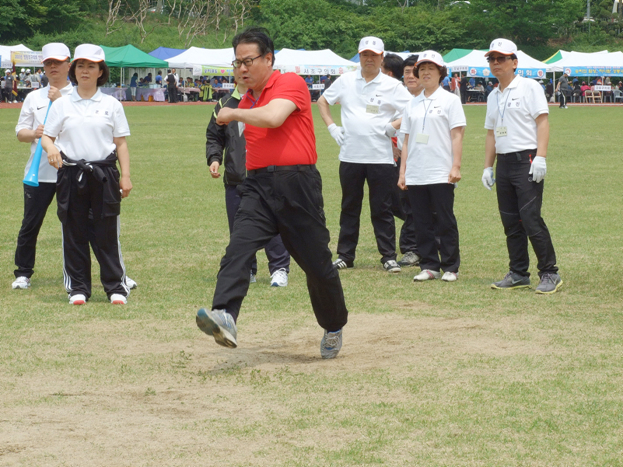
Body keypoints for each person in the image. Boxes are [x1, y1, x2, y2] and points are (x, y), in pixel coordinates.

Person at [195, 28, 348, 359]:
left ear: (268, 59)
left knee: (317, 265)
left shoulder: (289, 83)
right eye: (237, 63)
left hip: (297, 185)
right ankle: (224, 316)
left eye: (248, 61)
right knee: (238, 248)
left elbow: (275, 117)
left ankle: (333, 324)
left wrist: (233, 112)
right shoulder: (247, 98)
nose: (242, 69)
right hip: (256, 186)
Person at [12, 43, 138, 292]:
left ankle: (116, 276)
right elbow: (20, 133)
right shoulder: (34, 97)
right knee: (32, 224)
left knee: (95, 228)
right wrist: (37, 135)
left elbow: (116, 141)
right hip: (41, 174)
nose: (53, 67)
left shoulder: (77, 95)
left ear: (68, 64)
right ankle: (24, 273)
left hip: (74, 174)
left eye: (58, 62)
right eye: (48, 63)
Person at [317, 36, 412, 273]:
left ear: (381, 58)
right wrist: (332, 127)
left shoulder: (392, 85)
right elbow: (322, 101)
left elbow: (413, 109)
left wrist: (394, 125)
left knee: (382, 208)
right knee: (349, 206)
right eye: (364, 55)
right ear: (359, 56)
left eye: (374, 55)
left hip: (380, 157)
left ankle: (388, 256)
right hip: (350, 156)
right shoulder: (346, 80)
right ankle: (345, 255)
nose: (369, 59)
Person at [481, 38, 562, 294]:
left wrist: (541, 156)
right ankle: (518, 273)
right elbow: (491, 133)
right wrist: (487, 166)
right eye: (492, 59)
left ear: (514, 62)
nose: (496, 63)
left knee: (530, 217)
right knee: (510, 221)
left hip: (526, 160)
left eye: (501, 58)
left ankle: (549, 272)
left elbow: (542, 122)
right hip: (504, 163)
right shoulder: (494, 95)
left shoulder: (529, 87)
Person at [206, 66, 291, 286]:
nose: (243, 72)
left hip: (266, 176)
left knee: (272, 225)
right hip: (235, 178)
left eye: (248, 67)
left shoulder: (269, 100)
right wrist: (214, 158)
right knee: (240, 229)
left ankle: (279, 268)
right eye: (238, 67)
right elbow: (214, 136)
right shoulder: (224, 104)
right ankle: (247, 270)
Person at [397, 51, 465, 283]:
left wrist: (455, 166)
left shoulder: (450, 100)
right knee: (421, 221)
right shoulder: (412, 104)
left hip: (441, 170)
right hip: (416, 171)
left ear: (440, 73)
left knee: (445, 220)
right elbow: (406, 140)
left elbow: (457, 136)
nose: (426, 72)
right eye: (422, 68)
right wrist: (403, 171)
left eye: (431, 69)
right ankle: (429, 265)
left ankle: (450, 266)